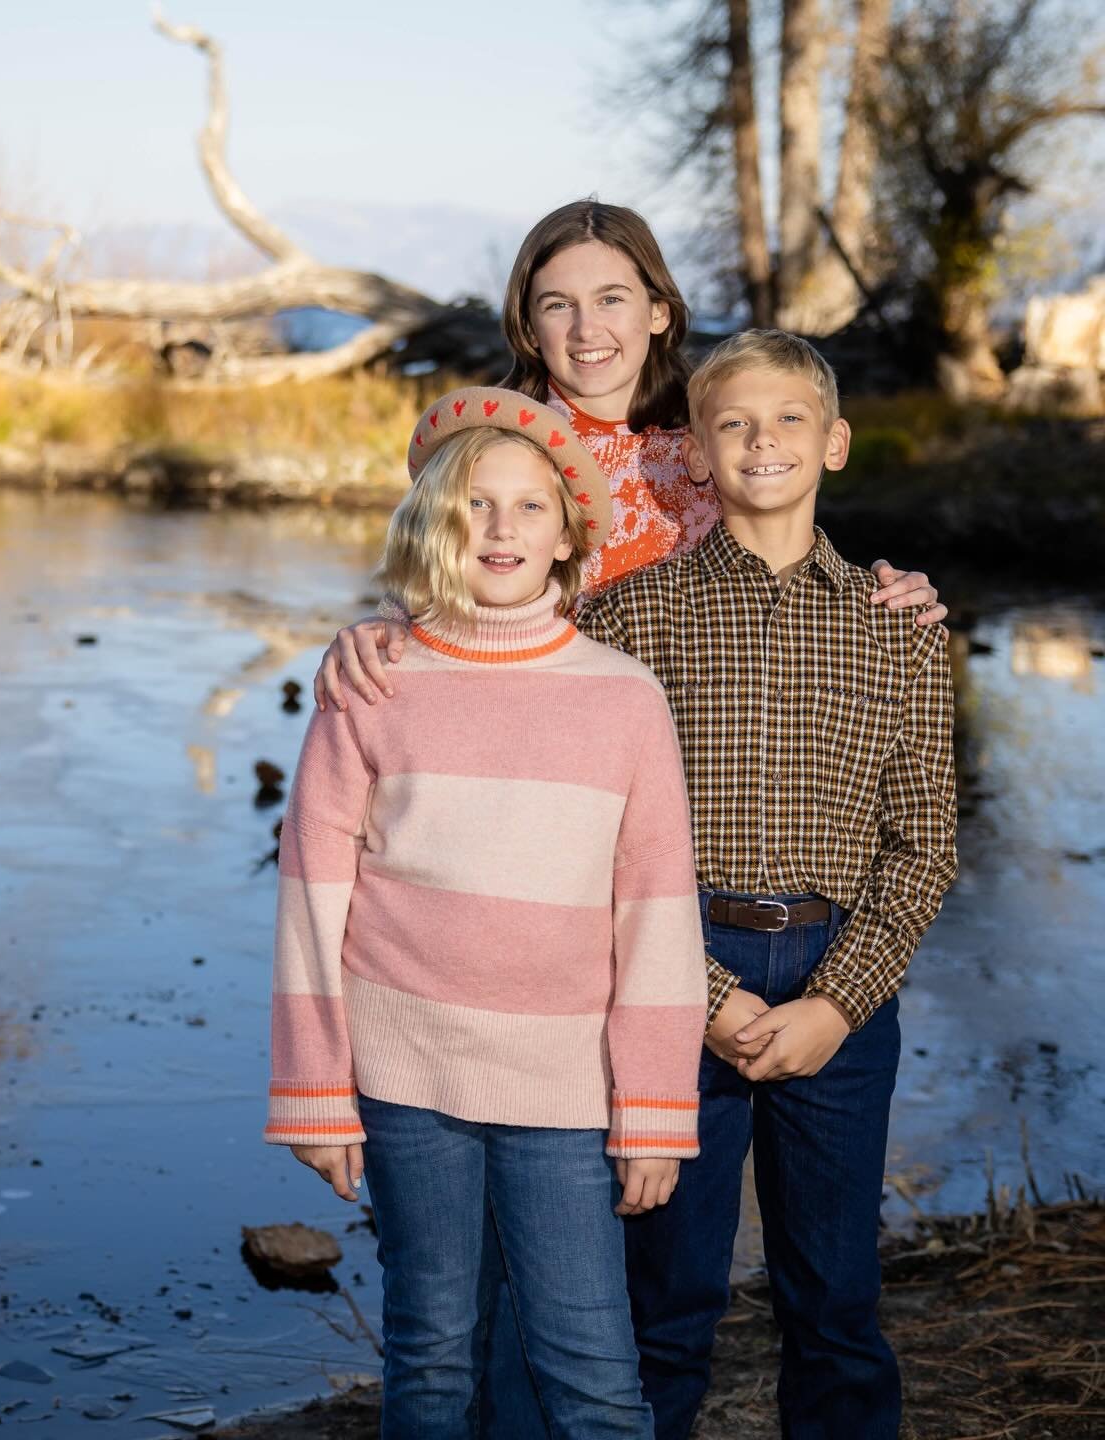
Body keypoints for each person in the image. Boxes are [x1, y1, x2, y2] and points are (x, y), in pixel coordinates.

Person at [265, 388, 707, 1438]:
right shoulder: (372, 684)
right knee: (430, 1352)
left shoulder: (625, 699)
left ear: (568, 538)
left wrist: (654, 1106)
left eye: (529, 507)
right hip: (405, 1078)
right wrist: (313, 1091)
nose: (501, 529)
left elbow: (656, 913)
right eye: (474, 504)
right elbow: (312, 897)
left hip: (564, 1085)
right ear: (434, 523)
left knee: (592, 1369)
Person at [574, 330, 959, 1438]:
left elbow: (924, 846)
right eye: (733, 423)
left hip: (842, 977)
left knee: (835, 1301)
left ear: (834, 443)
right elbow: (597, 842)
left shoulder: (901, 630)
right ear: (696, 455)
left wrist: (837, 1005)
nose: (762, 441)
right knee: (666, 1301)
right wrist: (703, 995)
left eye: (790, 418)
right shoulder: (629, 618)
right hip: (678, 971)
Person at [312, 199, 946, 715]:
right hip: (523, 728)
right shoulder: (490, 450)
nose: (587, 329)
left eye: (611, 298)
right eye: (558, 305)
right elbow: (426, 583)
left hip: (698, 759)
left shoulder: (718, 440)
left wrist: (883, 595)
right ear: (529, 327)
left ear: (659, 312)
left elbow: (783, 565)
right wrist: (376, 633)